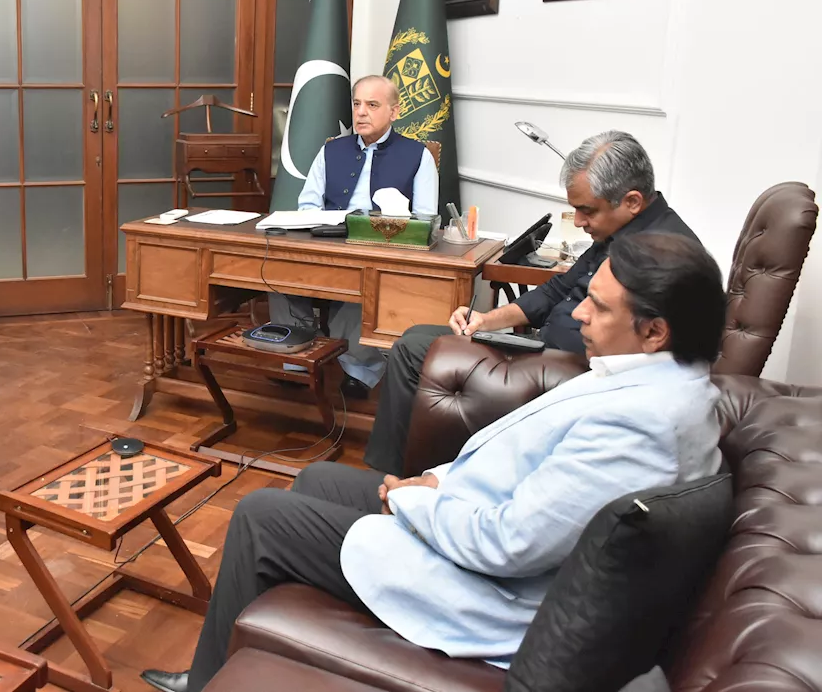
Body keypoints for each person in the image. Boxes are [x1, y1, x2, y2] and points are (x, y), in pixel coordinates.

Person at [141, 231, 726, 692]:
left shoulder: (643, 427)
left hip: (489, 590)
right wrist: (439, 478)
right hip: (470, 520)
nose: (578, 316)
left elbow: (511, 546)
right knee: (319, 475)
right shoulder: (658, 386)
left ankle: (208, 681)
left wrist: (414, 499)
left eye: (597, 307)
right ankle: (258, 654)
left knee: (261, 516)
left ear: (654, 331)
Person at [364, 130, 698, 477]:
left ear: (631, 201)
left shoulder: (666, 255)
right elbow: (556, 290)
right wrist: (486, 320)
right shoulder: (621, 230)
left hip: (568, 377)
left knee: (414, 348)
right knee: (419, 339)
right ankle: (416, 474)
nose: (579, 221)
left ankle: (398, 478)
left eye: (587, 211)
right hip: (543, 350)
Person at [269, 75, 439, 398]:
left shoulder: (419, 156)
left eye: (372, 105)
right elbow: (308, 203)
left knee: (362, 282)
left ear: (394, 111)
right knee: (278, 271)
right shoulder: (331, 150)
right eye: (357, 104)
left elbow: (425, 219)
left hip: (380, 249)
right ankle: (295, 358)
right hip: (326, 242)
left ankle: (359, 369)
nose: (361, 112)